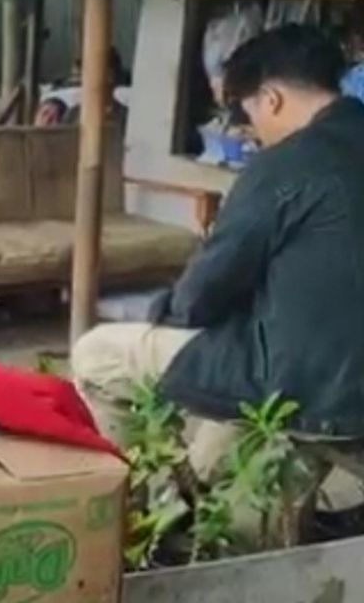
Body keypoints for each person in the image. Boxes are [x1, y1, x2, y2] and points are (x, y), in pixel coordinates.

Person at [73, 24, 364, 478]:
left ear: (271, 99)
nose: (252, 133)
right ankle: (199, 494)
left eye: (248, 116)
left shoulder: (283, 165)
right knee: (219, 433)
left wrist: (161, 309)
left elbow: (200, 297)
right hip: (333, 380)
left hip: (306, 391)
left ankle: (148, 498)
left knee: (98, 354)